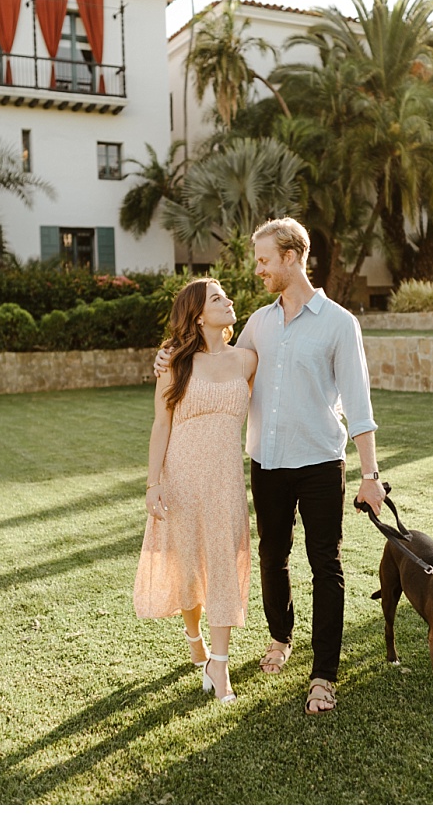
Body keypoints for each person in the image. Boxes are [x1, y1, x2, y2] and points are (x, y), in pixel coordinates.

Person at [155, 217, 385, 714]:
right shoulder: (257, 323)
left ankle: (323, 674)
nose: (257, 269)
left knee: (326, 565)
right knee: (272, 555)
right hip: (269, 463)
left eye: (263, 260)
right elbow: (216, 365)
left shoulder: (340, 323)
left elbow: (360, 406)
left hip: (322, 461)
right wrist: (169, 355)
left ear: (291, 257)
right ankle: (280, 637)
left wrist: (369, 476)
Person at [135, 278, 257, 704]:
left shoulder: (248, 360)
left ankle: (218, 667)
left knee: (224, 562)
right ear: (198, 315)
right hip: (182, 473)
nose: (227, 301)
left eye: (226, 295)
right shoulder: (174, 363)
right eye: (216, 298)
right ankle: (194, 640)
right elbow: (160, 425)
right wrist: (154, 484)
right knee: (188, 564)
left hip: (225, 479)